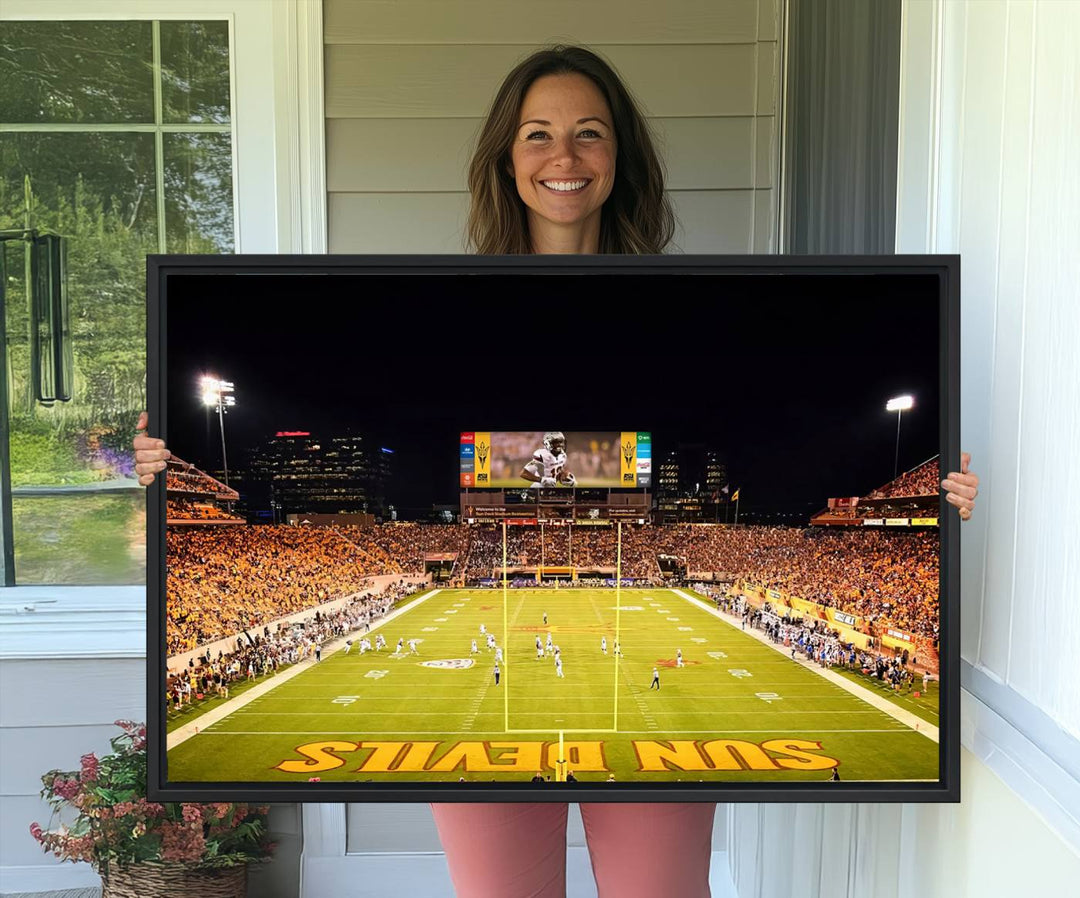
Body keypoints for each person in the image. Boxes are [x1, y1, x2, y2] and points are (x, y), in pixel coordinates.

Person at [134, 42, 981, 898]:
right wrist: (160, 467)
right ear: (506, 157)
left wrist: (935, 510)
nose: (563, 157)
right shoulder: (450, 307)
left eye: (589, 133)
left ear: (622, 157)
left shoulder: (678, 307)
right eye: (537, 134)